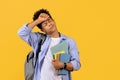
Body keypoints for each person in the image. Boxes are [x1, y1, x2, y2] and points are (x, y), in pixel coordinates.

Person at [18, 9, 81, 80]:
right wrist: (38, 21)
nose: (49, 24)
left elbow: (77, 64)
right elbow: (21, 33)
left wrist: (63, 65)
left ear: (54, 21)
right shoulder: (38, 39)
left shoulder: (69, 41)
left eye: (50, 20)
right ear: (42, 30)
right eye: (45, 24)